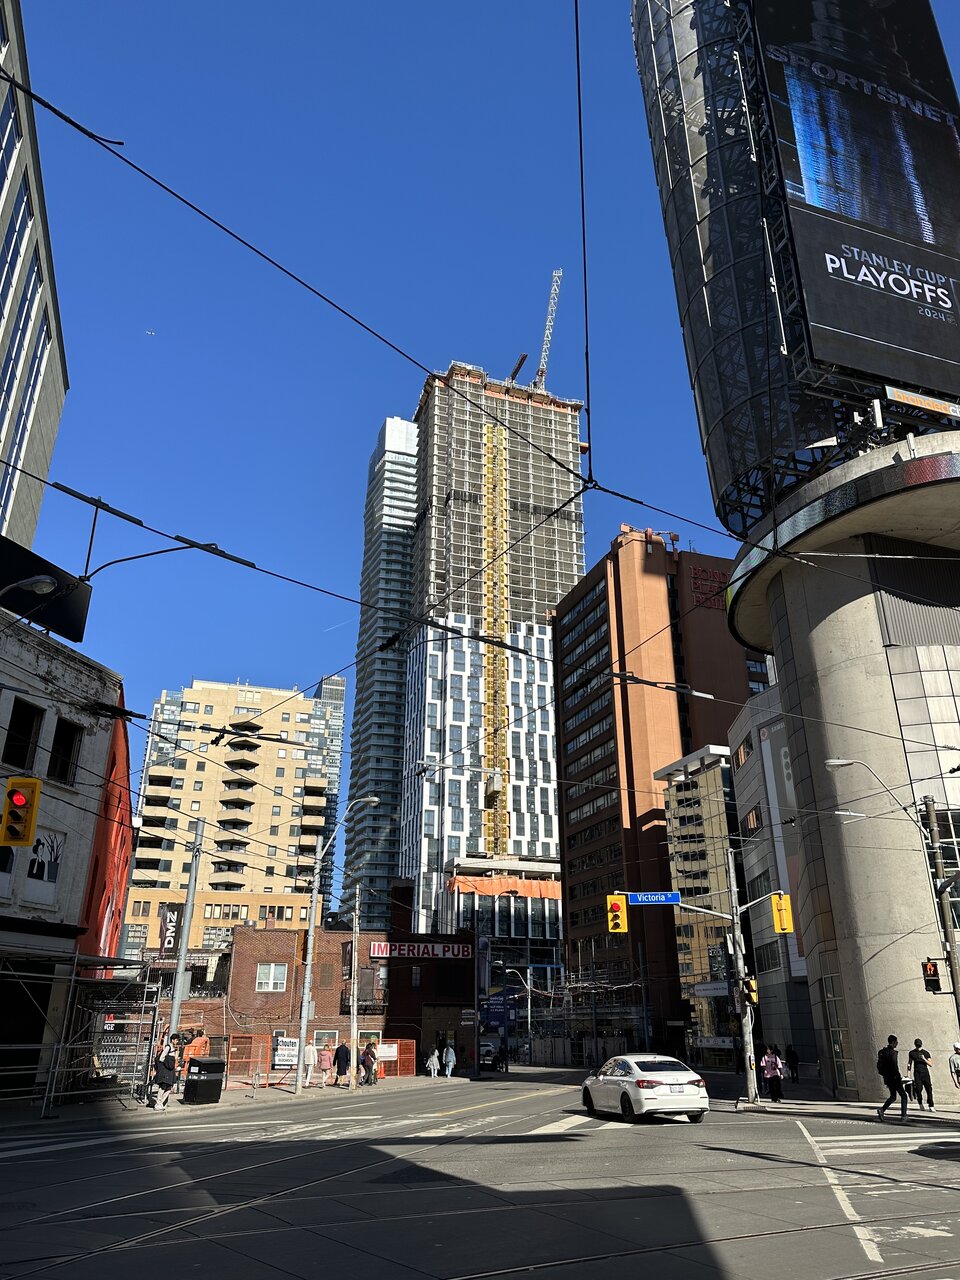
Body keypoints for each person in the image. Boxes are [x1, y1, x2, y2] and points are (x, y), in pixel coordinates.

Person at [877, 1034, 908, 1121]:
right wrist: (898, 1077)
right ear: (893, 1042)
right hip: (894, 1078)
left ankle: (882, 1110)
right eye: (896, 1042)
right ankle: (904, 1116)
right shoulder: (893, 1053)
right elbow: (894, 1066)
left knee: (893, 1096)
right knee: (904, 1095)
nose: (897, 1043)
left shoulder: (882, 1052)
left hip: (887, 1078)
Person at [908, 1038, 935, 1110]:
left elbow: (930, 1064)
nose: (918, 1047)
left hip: (925, 1072)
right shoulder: (912, 1053)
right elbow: (909, 1064)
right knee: (918, 1089)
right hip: (917, 1073)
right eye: (917, 1045)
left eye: (919, 1045)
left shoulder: (926, 1053)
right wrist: (908, 1075)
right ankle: (920, 1103)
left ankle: (931, 1105)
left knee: (929, 1088)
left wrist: (924, 1059)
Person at [152, 1040, 178, 1111]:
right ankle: (158, 1104)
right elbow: (161, 1058)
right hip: (166, 1070)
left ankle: (160, 1103)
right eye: (176, 1040)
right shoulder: (168, 1047)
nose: (177, 1041)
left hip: (170, 1070)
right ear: (173, 1040)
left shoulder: (173, 1048)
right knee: (163, 1087)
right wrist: (168, 1063)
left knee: (169, 1088)